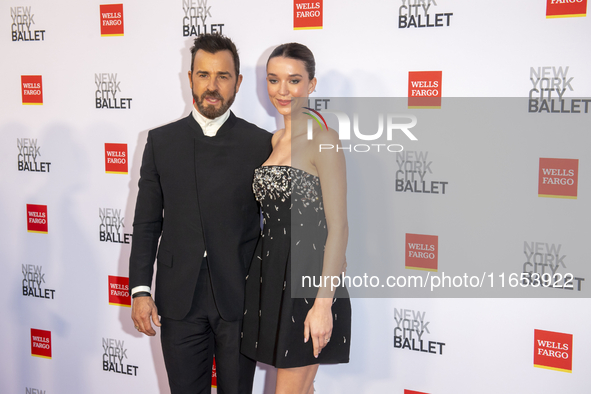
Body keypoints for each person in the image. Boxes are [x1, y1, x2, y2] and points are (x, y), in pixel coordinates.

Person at [129, 33, 272, 394]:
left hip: (239, 297)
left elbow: (277, 226)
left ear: (237, 82)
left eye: (223, 76)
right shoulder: (161, 142)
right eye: (204, 75)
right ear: (189, 78)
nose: (212, 86)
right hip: (179, 300)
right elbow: (147, 224)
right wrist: (140, 290)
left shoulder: (261, 143)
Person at [241, 43, 351, 394]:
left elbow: (339, 229)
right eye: (274, 80)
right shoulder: (274, 140)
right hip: (270, 278)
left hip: (308, 285)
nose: (282, 90)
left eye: (294, 80)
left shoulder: (324, 142)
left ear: (312, 85)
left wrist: (323, 304)